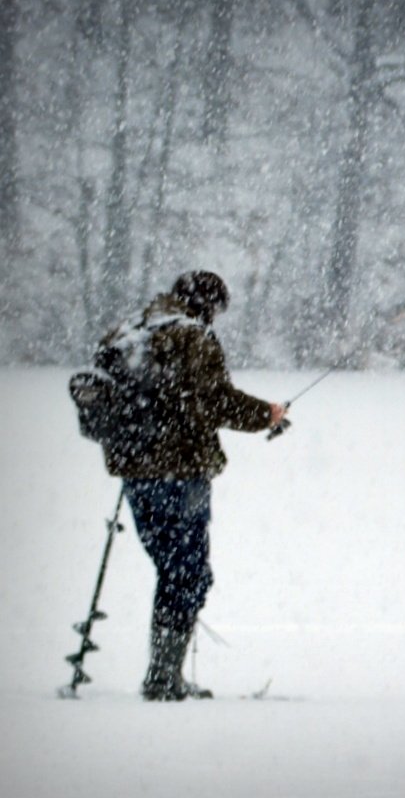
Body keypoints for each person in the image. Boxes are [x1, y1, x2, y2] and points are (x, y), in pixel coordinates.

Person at [95, 271, 287, 701]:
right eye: (216, 309)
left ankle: (164, 673)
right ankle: (163, 679)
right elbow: (215, 400)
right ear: (207, 304)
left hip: (134, 472)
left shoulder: (130, 332)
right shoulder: (191, 337)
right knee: (188, 573)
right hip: (181, 471)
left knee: (173, 568)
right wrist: (266, 415)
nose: (216, 318)